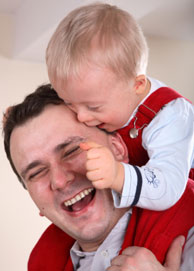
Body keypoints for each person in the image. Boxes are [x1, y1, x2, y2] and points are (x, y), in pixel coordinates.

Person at [3, 84, 194, 270]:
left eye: (71, 151)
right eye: (36, 173)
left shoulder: (188, 221)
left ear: (118, 149)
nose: (60, 181)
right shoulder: (41, 263)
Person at [46, 3, 194, 212]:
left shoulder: (170, 114)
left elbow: (168, 189)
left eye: (93, 107)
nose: (81, 116)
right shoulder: (108, 100)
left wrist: (117, 175)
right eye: (70, 103)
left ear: (138, 85)